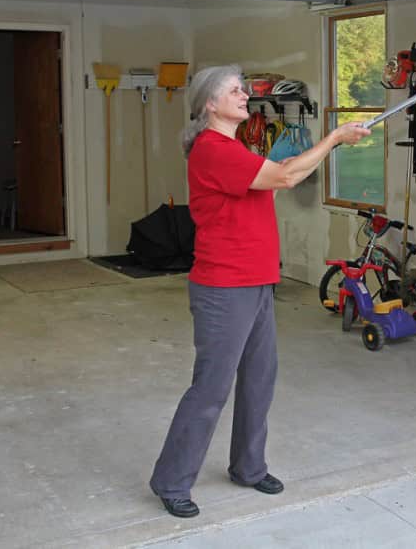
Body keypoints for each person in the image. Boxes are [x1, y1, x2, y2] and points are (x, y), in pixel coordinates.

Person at [149, 65, 371, 518]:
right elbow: (287, 179)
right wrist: (331, 140)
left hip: (256, 281)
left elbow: (277, 179)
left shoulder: (235, 147)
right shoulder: (212, 150)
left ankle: (248, 467)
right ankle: (171, 481)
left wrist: (314, 149)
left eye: (243, 89)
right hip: (223, 287)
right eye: (234, 90)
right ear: (208, 104)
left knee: (259, 379)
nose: (245, 95)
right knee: (211, 388)